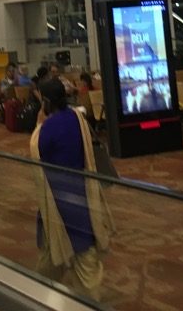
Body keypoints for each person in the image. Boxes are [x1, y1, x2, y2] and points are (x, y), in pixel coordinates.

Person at [30, 78, 112, 301]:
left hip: (58, 204)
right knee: (84, 262)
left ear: (46, 101)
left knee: (55, 257)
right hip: (82, 197)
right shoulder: (77, 117)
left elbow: (37, 153)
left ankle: (39, 298)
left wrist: (39, 126)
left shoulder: (47, 130)